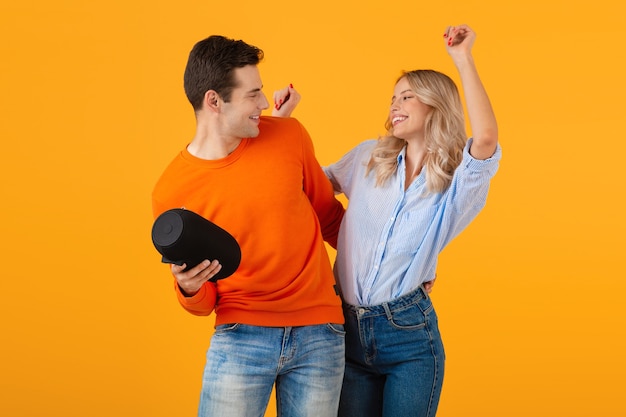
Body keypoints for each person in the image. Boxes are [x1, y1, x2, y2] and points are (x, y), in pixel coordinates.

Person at [275, 24, 501, 417]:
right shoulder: (368, 156)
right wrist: (281, 121)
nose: (395, 105)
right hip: (343, 329)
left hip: (409, 338)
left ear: (435, 104)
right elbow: (299, 185)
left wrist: (462, 59)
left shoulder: (454, 180)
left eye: (408, 97)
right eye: (393, 98)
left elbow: (484, 140)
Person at [151, 35, 346, 417]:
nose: (263, 103)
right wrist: (188, 289)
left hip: (320, 334)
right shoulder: (171, 190)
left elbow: (331, 219)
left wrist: (405, 268)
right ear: (214, 101)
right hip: (240, 338)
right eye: (252, 94)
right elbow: (203, 302)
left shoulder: (289, 136)